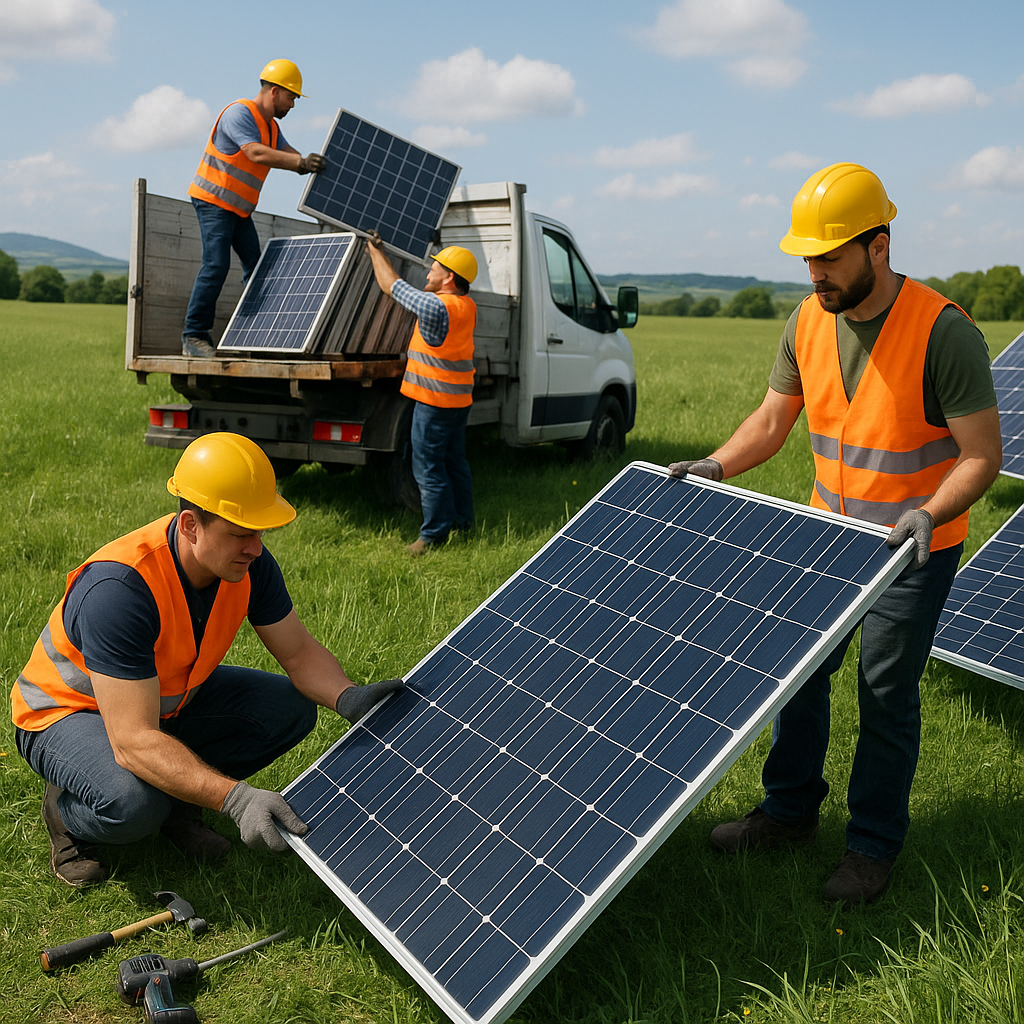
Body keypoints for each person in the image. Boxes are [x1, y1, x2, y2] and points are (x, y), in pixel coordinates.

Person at [668, 162, 1002, 906]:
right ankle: (788, 813)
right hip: (830, 536)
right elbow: (771, 421)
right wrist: (718, 465)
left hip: (915, 547)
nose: (815, 272)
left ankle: (871, 847)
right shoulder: (806, 321)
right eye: (807, 258)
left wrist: (928, 514)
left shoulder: (944, 333)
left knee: (885, 692)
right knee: (800, 674)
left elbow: (982, 456)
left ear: (878, 247)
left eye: (829, 257)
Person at [12, 432, 403, 886]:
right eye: (240, 534)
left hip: (159, 701)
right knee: (135, 804)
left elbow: (299, 653)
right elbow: (134, 740)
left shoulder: (247, 565)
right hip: (66, 715)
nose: (255, 548)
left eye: (259, 532)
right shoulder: (119, 590)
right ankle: (69, 814)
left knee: (290, 709)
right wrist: (236, 800)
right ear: (191, 526)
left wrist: (348, 697)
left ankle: (179, 804)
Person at [181, 59, 327, 358]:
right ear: (274, 92)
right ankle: (193, 336)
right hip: (213, 202)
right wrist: (300, 164)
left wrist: (311, 165)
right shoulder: (240, 113)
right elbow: (256, 153)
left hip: (238, 209)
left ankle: (255, 332)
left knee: (256, 267)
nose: (293, 105)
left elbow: (288, 154)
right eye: (292, 97)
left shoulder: (271, 127)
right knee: (216, 265)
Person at [365, 233, 478, 555]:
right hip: (458, 402)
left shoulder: (434, 306)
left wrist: (374, 249)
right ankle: (463, 523)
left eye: (434, 269)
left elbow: (391, 285)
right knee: (455, 463)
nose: (428, 273)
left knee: (428, 468)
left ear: (450, 277)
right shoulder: (466, 305)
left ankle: (432, 536)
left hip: (434, 402)